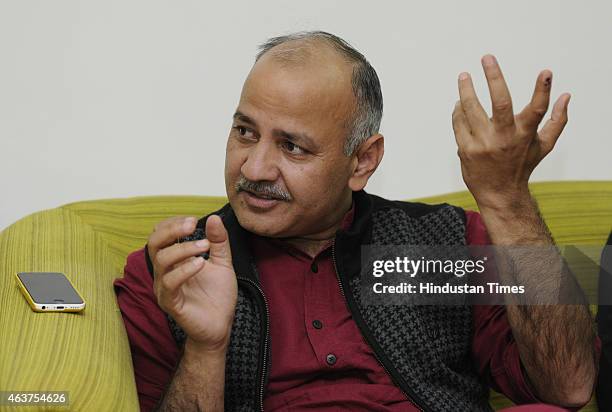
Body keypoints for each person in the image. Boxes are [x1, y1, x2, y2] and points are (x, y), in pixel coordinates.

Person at [114, 31, 600, 411]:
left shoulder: (443, 248)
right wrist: (205, 346)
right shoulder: (176, 266)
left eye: (292, 146)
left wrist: (507, 198)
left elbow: (569, 386)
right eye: (245, 131)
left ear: (362, 162)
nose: (254, 168)